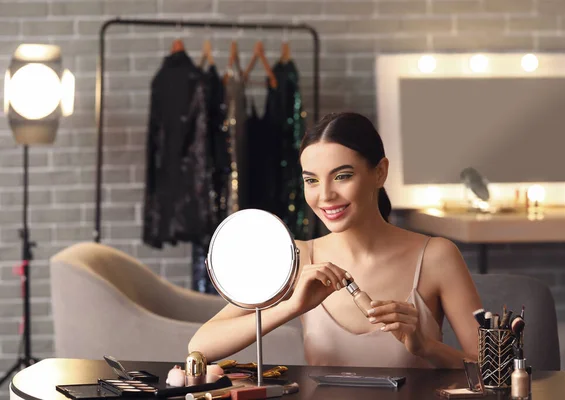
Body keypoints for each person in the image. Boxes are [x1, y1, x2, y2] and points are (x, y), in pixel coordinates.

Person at [189, 112, 483, 368]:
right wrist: (292, 307)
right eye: (311, 180)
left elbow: (495, 372)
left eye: (342, 176)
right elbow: (200, 346)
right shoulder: (299, 258)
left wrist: (426, 347)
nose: (325, 195)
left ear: (379, 172)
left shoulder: (437, 256)